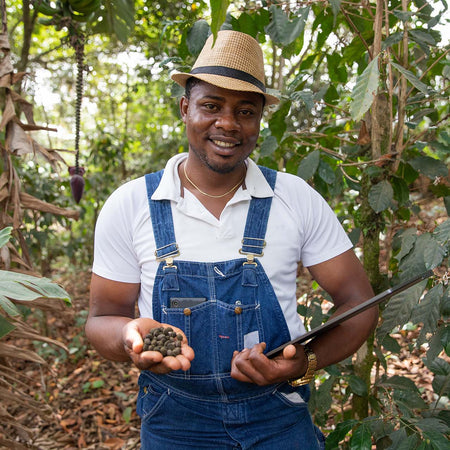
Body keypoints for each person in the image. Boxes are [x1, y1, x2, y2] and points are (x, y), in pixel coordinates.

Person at [86, 30, 378, 449]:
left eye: (245, 111)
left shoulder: (294, 199)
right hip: (174, 422)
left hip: (278, 416)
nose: (227, 124)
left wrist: (299, 365)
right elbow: (101, 318)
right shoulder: (131, 204)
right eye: (210, 106)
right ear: (185, 108)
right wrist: (132, 334)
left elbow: (359, 303)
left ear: (260, 120)